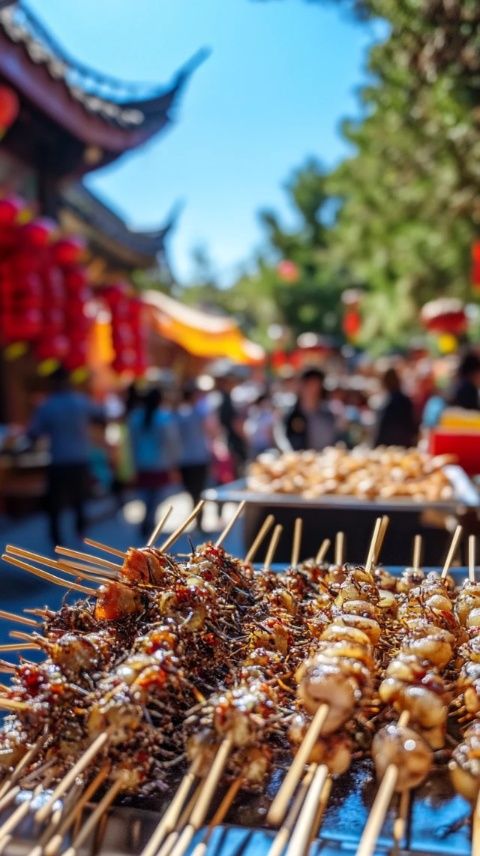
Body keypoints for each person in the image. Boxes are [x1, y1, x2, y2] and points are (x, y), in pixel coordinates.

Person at [27, 366, 105, 544]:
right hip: (80, 458)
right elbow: (101, 415)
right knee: (80, 500)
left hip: (59, 460)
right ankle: (80, 533)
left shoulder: (48, 405)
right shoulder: (81, 401)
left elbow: (34, 432)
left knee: (55, 503)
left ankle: (56, 540)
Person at [128, 387, 180, 539]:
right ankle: (149, 522)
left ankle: (147, 521)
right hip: (159, 464)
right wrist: (174, 464)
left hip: (141, 463)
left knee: (146, 496)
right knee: (156, 497)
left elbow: (131, 443)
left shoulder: (135, 417)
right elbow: (172, 443)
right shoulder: (163, 418)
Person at [176, 382, 212, 530]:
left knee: (193, 492)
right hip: (198, 458)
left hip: (186, 459)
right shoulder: (198, 413)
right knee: (198, 492)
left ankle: (197, 520)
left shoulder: (178, 414)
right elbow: (210, 430)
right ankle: (198, 521)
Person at [284, 367, 337, 451]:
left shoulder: (328, 413)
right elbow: (286, 441)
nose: (313, 391)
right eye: (309, 385)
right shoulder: (292, 415)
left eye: (316, 386)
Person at [373, 367, 417, 447]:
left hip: (390, 446)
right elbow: (412, 425)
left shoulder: (387, 402)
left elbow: (382, 427)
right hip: (405, 444)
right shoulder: (405, 400)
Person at [245, 393, 276, 457]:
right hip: (255, 446)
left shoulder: (269, 416)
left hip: (266, 446)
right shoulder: (254, 414)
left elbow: (270, 432)